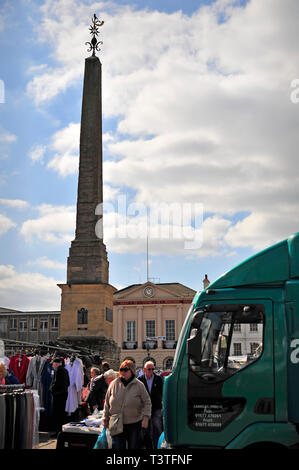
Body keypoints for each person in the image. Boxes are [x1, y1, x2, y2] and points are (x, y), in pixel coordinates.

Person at [103, 360, 151, 449]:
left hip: (133, 423)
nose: (123, 372)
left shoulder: (139, 385)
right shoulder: (114, 384)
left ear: (131, 371)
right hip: (116, 422)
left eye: (126, 370)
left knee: (134, 447)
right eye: (121, 370)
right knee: (117, 447)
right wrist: (105, 419)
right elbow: (106, 402)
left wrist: (146, 417)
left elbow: (147, 402)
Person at [138, 360, 163, 449]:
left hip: (156, 407)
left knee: (158, 427)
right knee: (145, 429)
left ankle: (159, 445)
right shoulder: (140, 380)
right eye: (149, 369)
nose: (151, 371)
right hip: (144, 409)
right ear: (144, 369)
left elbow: (162, 392)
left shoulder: (158, 379)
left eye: (153, 369)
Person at [49, 357, 70, 437]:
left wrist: (51, 390)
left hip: (58, 395)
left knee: (57, 414)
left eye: (53, 364)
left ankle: (58, 432)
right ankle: (60, 431)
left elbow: (56, 383)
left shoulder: (58, 371)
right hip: (63, 394)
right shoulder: (65, 370)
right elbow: (68, 383)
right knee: (61, 414)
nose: (52, 366)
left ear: (56, 364)